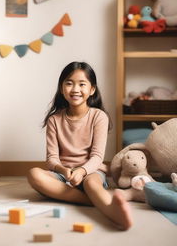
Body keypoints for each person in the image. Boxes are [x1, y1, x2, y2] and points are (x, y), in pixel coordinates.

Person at [27, 61, 133, 230]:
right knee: (34, 175)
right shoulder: (54, 120)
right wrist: (64, 171)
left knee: (91, 184)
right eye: (69, 83)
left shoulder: (99, 117)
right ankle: (95, 201)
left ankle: (112, 212)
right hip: (63, 175)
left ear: (92, 90)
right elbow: (52, 159)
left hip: (91, 171)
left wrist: (82, 171)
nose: (75, 89)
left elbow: (97, 156)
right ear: (62, 88)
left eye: (82, 84)